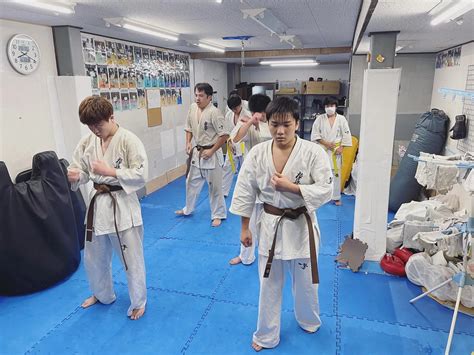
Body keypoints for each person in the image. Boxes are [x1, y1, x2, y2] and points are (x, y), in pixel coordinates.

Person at [230, 96, 333, 351]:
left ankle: (308, 320)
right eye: (274, 124)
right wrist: (245, 227)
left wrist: (294, 188)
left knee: (307, 282)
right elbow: (245, 191)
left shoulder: (313, 152)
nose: (280, 131)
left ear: (297, 123)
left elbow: (326, 189)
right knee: (269, 285)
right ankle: (266, 335)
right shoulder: (257, 153)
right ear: (267, 124)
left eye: (286, 124)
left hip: (301, 227)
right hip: (270, 225)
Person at [67, 96, 148, 320]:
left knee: (131, 259)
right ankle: (102, 295)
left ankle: (139, 301)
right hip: (97, 207)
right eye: (90, 126)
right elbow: (81, 170)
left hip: (122, 206)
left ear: (111, 117)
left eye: (98, 125)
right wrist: (77, 175)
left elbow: (141, 175)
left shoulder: (129, 140)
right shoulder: (87, 142)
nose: (94, 130)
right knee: (94, 259)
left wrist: (110, 172)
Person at [175, 83, 229, 227]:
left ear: (209, 97)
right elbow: (188, 127)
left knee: (215, 186)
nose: (198, 99)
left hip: (211, 153)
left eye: (201, 96)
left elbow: (224, 135)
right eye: (196, 95)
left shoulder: (215, 113)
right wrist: (188, 142)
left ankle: (218, 214)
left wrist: (212, 151)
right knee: (190, 182)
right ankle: (188, 209)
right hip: (197, 153)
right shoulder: (193, 108)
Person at [228, 93, 272, 266]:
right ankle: (245, 256)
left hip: (272, 179)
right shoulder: (246, 121)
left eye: (263, 112)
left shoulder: (274, 123)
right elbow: (235, 138)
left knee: (270, 222)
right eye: (258, 112)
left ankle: (270, 254)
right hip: (252, 178)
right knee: (248, 222)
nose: (261, 115)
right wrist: (250, 122)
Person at [311, 97, 352, 206]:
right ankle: (322, 196)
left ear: (335, 106)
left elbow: (346, 135)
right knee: (322, 173)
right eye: (327, 106)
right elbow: (315, 134)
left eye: (332, 106)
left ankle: (336, 197)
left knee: (336, 174)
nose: (330, 108)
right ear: (324, 107)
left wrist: (342, 148)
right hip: (323, 149)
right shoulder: (319, 119)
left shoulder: (342, 119)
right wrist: (326, 143)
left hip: (336, 151)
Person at [222, 94, 249, 197]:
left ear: (240, 104)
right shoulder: (229, 115)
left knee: (245, 169)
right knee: (227, 166)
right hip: (231, 144)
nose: (235, 111)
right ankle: (223, 191)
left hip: (243, 144)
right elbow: (227, 131)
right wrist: (229, 142)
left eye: (236, 108)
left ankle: (245, 192)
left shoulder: (247, 114)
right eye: (232, 109)